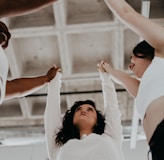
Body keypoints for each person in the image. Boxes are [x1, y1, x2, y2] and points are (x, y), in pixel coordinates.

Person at [103, 0, 164, 159]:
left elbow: (126, 13)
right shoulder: (145, 88)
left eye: (132, 60)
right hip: (158, 146)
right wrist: (109, 70)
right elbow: (125, 81)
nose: (130, 67)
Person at [44, 62, 124, 160]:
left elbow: (112, 109)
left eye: (90, 109)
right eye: (78, 109)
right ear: (72, 119)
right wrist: (54, 82)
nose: (84, 111)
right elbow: (51, 117)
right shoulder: (59, 146)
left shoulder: (110, 137)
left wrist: (105, 77)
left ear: (97, 121)